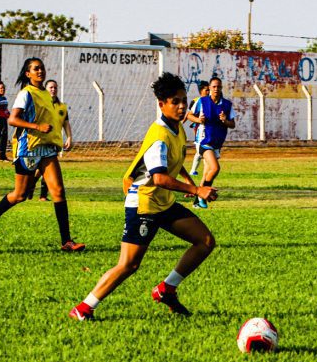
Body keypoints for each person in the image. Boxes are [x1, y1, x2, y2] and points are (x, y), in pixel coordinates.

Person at [69, 72, 218, 321]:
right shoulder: (158, 136)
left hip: (163, 202)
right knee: (129, 264)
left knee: (205, 241)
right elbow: (158, 177)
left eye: (184, 100)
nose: (182, 107)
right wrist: (196, 190)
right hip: (144, 204)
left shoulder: (177, 129)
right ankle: (83, 308)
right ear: (161, 104)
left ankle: (166, 289)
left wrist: (190, 181)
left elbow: (174, 162)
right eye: (175, 102)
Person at [0, 58, 85, 252]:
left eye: (42, 68)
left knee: (59, 192)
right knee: (20, 195)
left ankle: (67, 241)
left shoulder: (46, 94)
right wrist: (37, 127)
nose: (40, 71)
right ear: (28, 74)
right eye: (36, 69)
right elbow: (12, 119)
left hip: (46, 150)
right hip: (28, 149)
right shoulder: (25, 94)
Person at [185, 76, 235, 208]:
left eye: (218, 87)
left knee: (208, 172)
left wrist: (225, 121)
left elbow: (232, 124)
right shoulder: (202, 101)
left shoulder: (227, 105)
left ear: (221, 88)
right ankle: (203, 194)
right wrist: (199, 120)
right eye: (213, 87)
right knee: (215, 168)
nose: (216, 89)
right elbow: (189, 115)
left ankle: (199, 199)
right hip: (203, 141)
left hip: (216, 143)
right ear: (209, 88)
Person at [36, 79, 73, 201]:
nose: (53, 89)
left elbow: (66, 123)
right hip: (40, 141)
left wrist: (69, 137)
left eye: (55, 87)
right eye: (51, 87)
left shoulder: (62, 107)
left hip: (53, 142)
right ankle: (30, 187)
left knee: (47, 169)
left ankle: (42, 195)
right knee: (39, 169)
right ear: (46, 89)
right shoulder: (41, 104)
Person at [188, 81, 210, 176]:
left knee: (204, 152)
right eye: (207, 90)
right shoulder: (197, 101)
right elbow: (189, 114)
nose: (209, 92)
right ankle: (196, 171)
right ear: (201, 91)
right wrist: (197, 121)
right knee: (202, 152)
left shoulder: (213, 101)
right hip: (199, 128)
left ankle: (195, 171)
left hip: (210, 131)